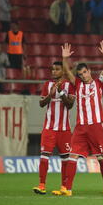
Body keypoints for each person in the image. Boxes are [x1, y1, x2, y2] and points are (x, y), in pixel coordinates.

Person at [58, 41, 103, 197]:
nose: (82, 76)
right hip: (81, 127)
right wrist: (64, 59)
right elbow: (67, 72)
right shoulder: (77, 85)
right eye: (80, 74)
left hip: (96, 126)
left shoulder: (99, 83)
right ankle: (67, 188)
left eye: (84, 73)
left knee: (101, 158)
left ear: (89, 71)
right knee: (72, 156)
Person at [33, 61, 75, 195]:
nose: (53, 71)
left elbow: (69, 105)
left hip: (64, 129)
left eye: (57, 69)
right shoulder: (47, 84)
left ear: (63, 71)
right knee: (44, 155)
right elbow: (41, 103)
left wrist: (60, 92)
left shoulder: (70, 85)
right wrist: (50, 95)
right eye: (52, 69)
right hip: (49, 128)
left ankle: (64, 186)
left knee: (66, 158)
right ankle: (41, 185)